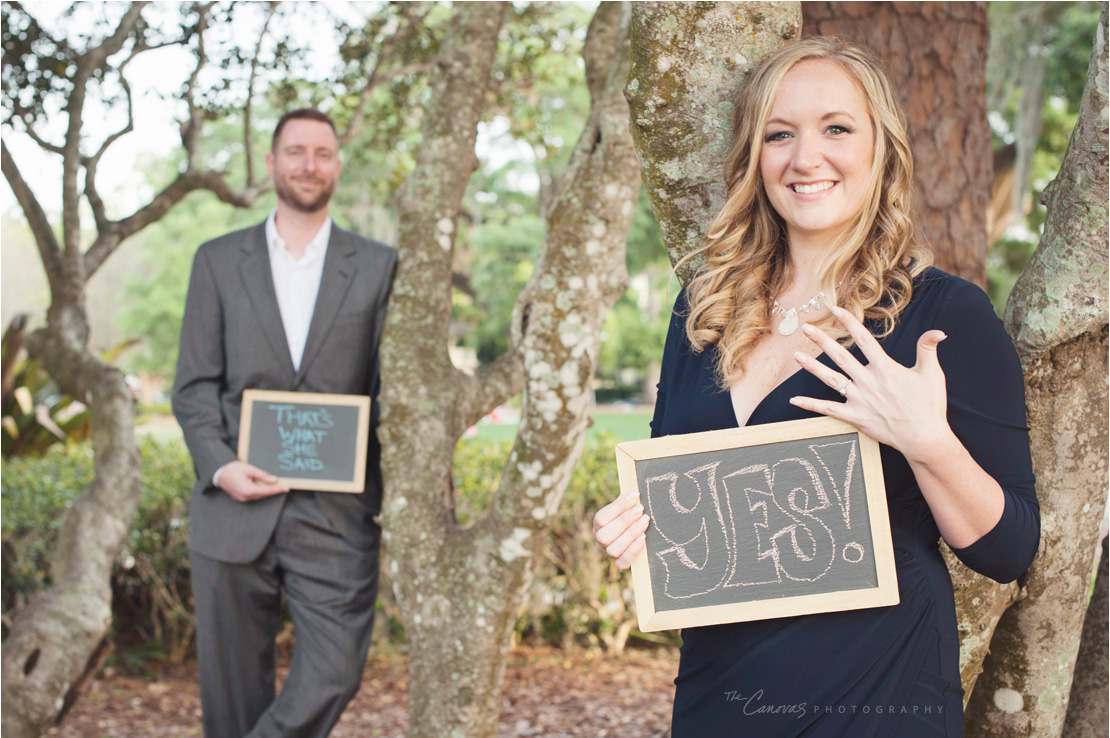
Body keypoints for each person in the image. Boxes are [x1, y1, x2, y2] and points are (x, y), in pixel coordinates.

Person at [593, 38, 1039, 738]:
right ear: (754, 157)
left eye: (836, 128)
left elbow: (1009, 550)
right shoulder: (702, 313)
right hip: (721, 699)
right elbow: (674, 489)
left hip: (878, 698)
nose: (806, 158)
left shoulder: (943, 316)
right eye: (779, 134)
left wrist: (928, 442)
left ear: (880, 148)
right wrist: (632, 525)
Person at [173, 108, 397, 738]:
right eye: (295, 151)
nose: (309, 164)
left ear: (337, 166)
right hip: (232, 510)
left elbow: (388, 392)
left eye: (322, 153)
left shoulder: (380, 266)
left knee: (333, 673)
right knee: (231, 701)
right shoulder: (216, 261)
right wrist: (220, 466)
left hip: (337, 514)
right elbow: (192, 388)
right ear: (271, 164)